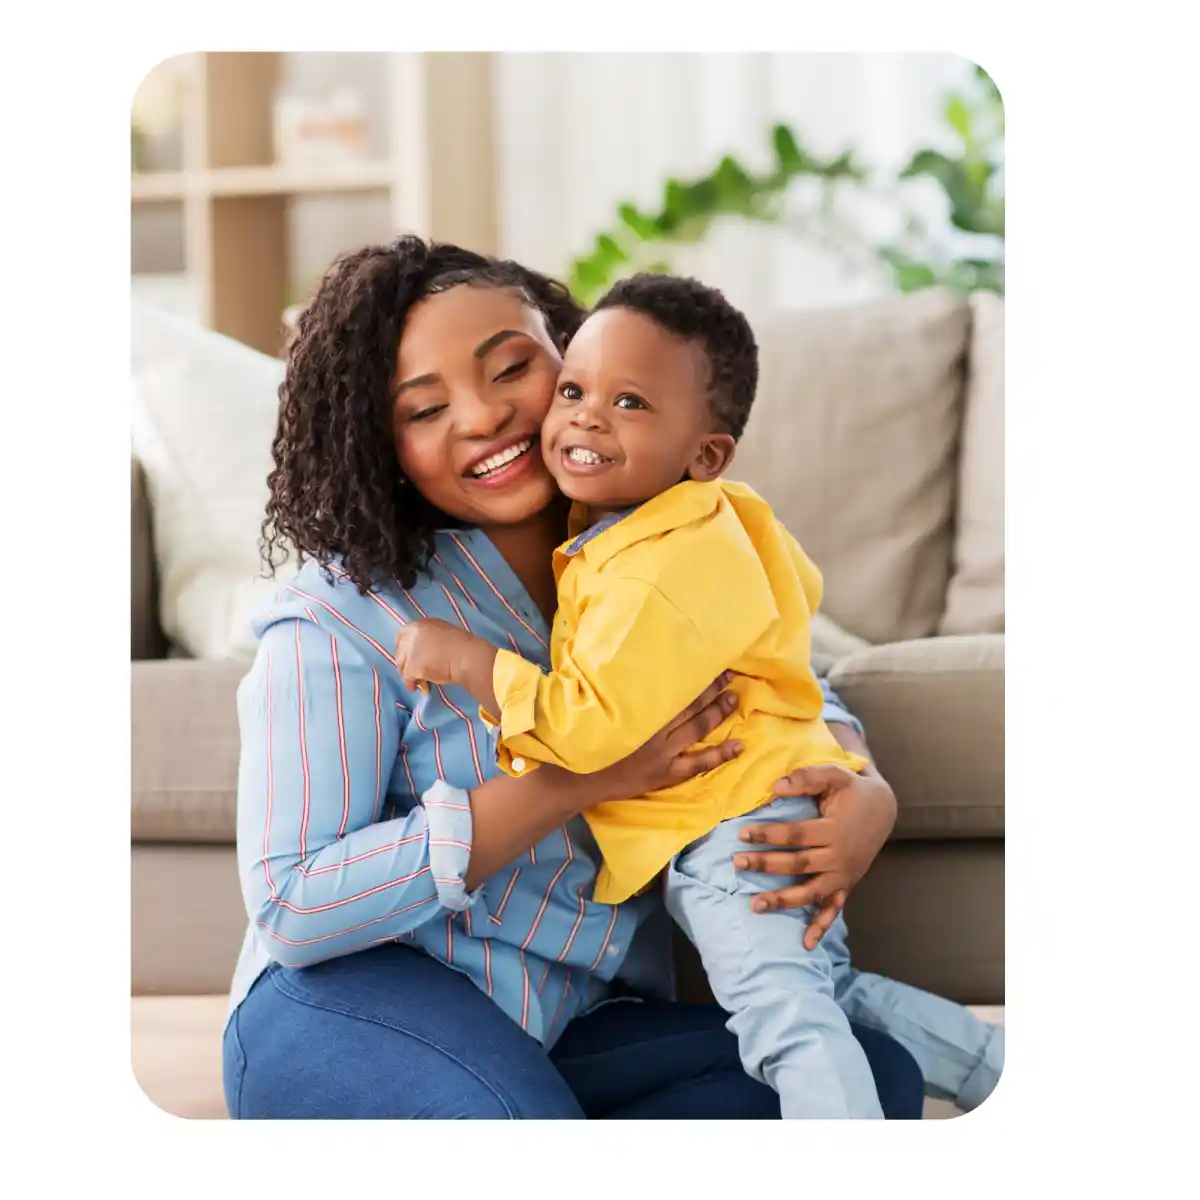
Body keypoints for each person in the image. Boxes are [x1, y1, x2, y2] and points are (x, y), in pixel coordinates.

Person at [224, 235, 926, 1120]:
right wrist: (581, 777)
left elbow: (779, 670)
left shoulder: (658, 543)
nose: (483, 416)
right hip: (354, 1000)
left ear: (574, 352)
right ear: (382, 443)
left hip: (566, 1022)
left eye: (512, 369)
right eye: (426, 409)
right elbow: (293, 905)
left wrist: (863, 786)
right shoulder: (337, 615)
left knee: (875, 1077)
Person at [394, 273, 1004, 1119]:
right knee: (827, 995)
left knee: (786, 1022)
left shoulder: (648, 572)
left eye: (630, 403)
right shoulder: (713, 517)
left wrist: (470, 662)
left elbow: (589, 730)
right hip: (768, 799)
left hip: (731, 829)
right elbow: (789, 618)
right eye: (574, 390)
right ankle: (999, 1070)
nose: (586, 418)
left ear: (705, 454)